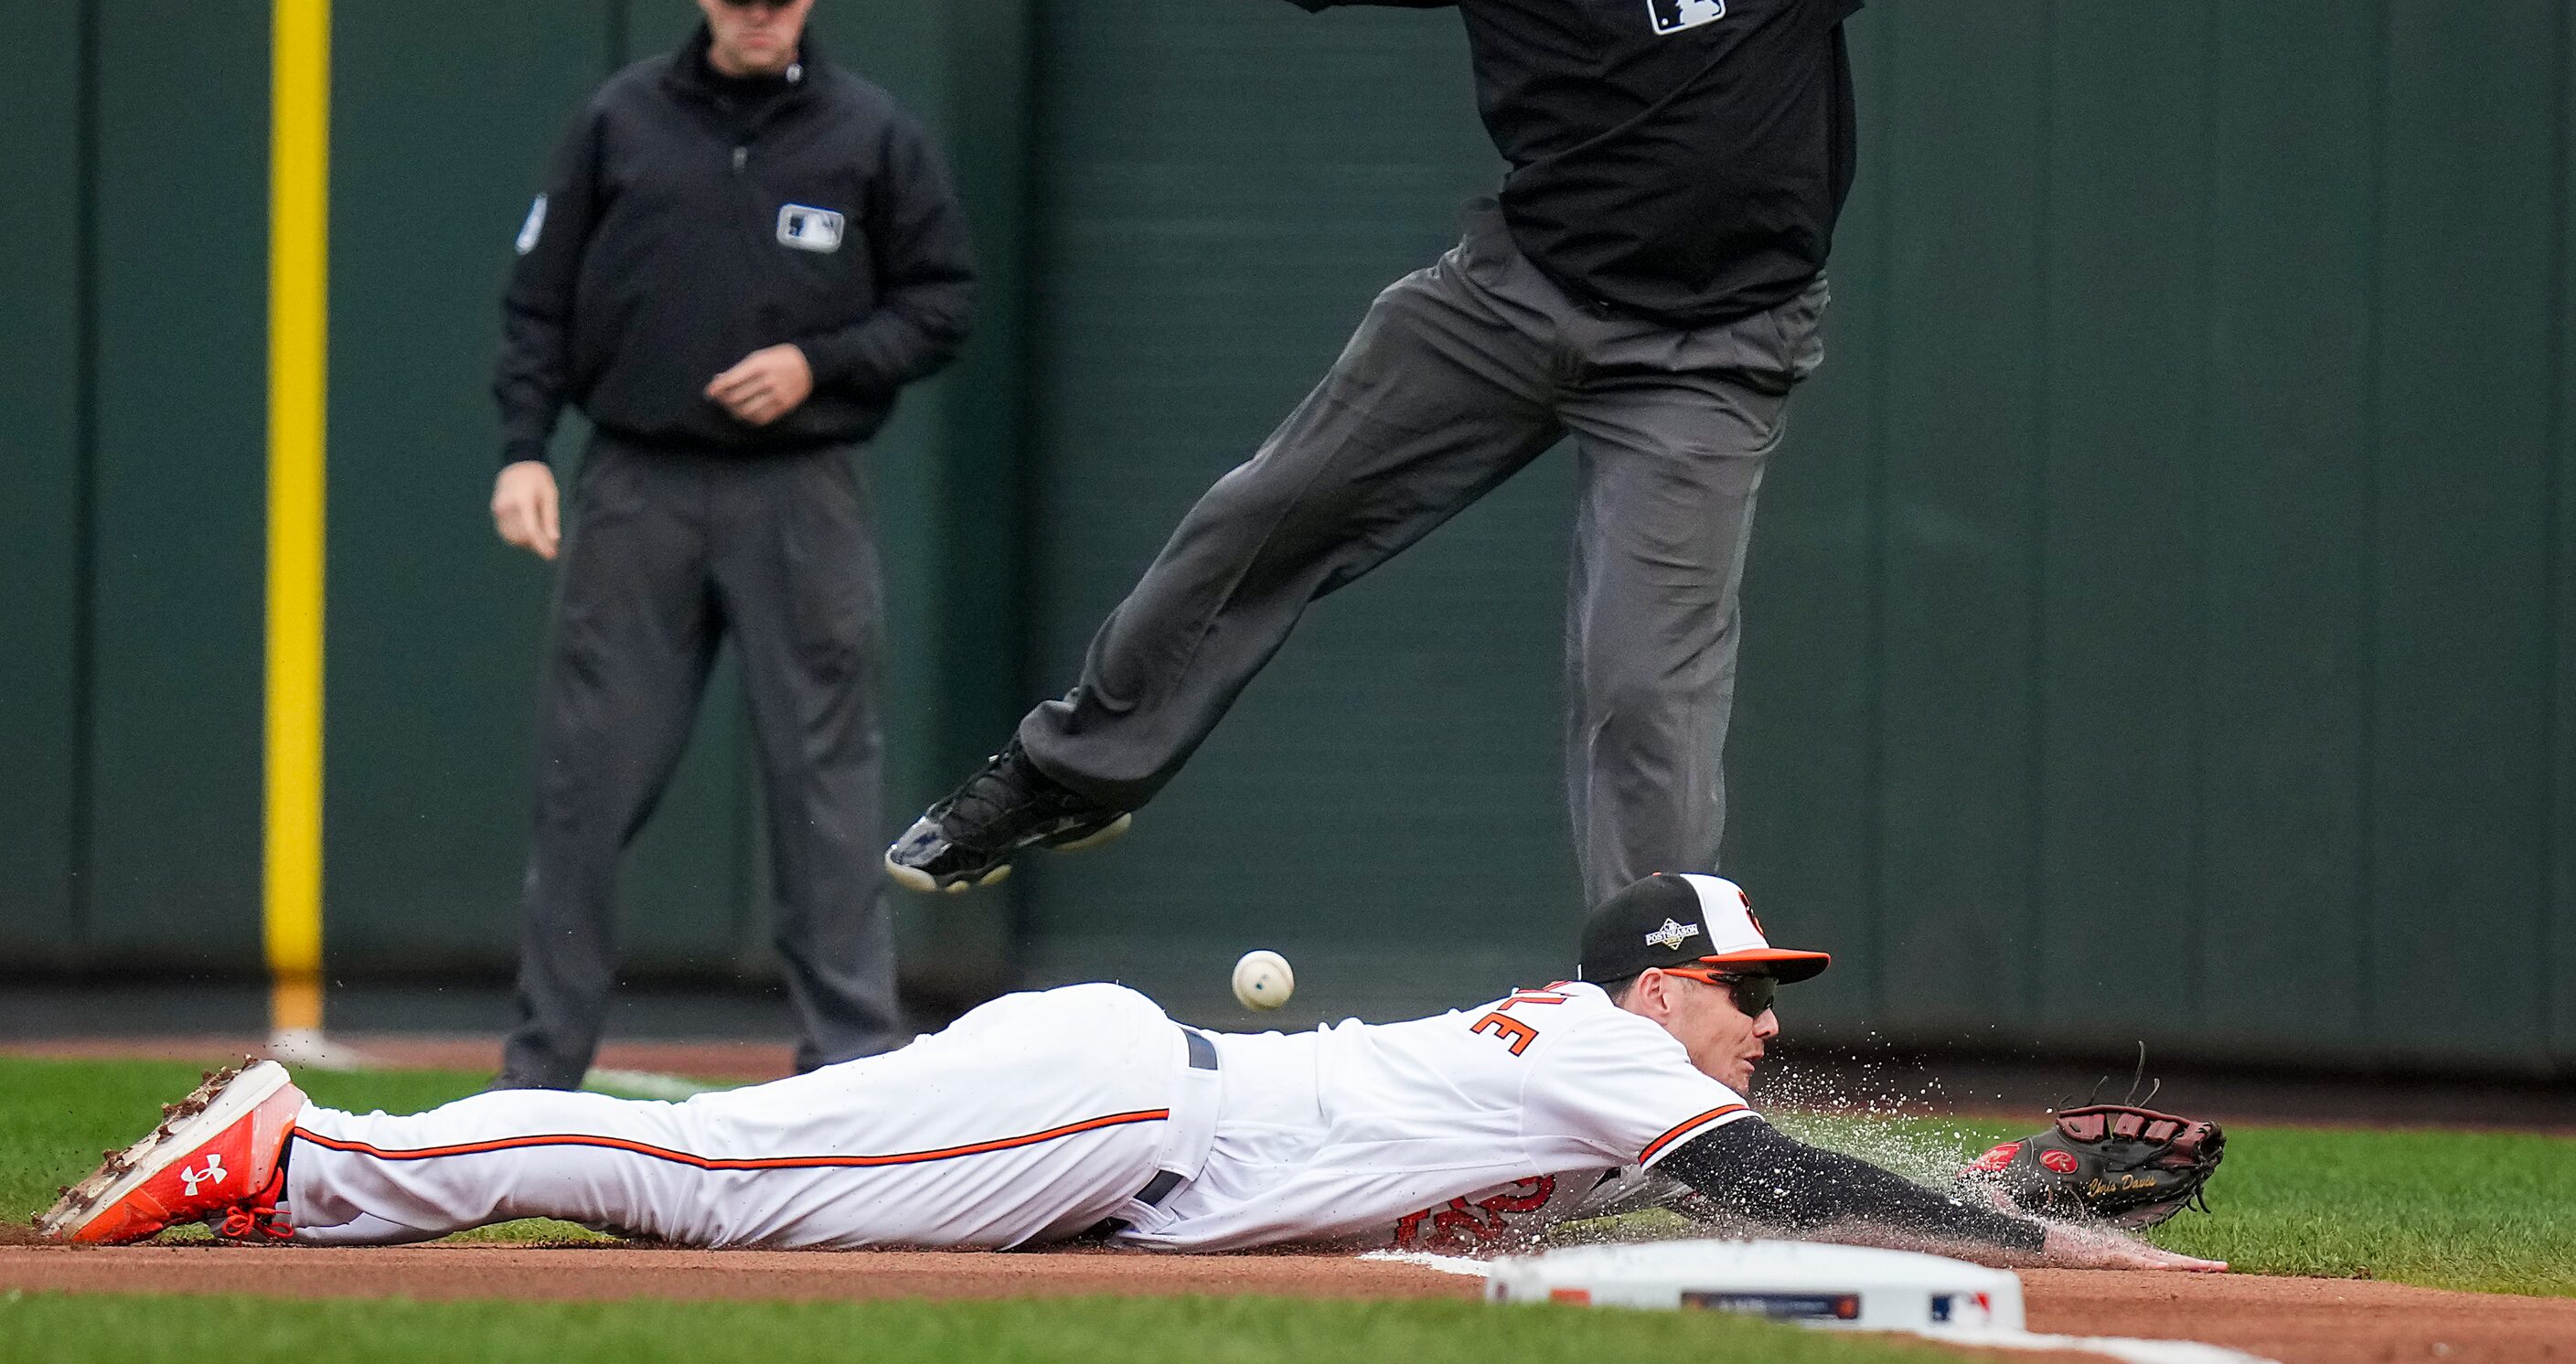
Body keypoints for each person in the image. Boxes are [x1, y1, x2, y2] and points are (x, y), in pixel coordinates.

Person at [859, 0, 2268, 903]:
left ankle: (1651, 1021)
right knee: (1261, 510)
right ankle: (1066, 774)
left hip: (1708, 354)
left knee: (1637, 687)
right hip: (1508, 301)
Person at [39, 874, 2220, 1271]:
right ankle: (311, 1137)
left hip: (1113, 1128)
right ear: (1654, 990)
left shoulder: (1588, 1096)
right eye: (1743, 984)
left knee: (700, 1180)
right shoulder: (1589, 1048)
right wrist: (2032, 1239)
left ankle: (307, 1171)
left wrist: (2016, 1177)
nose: (1769, 1015)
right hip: (1119, 1111)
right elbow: (1759, 1182)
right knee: (695, 1177)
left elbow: (1724, 1181)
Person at [485, 0, 976, 1088]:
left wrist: (822, 359)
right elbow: (537, 300)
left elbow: (940, 301)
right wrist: (519, 448)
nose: (760, 16)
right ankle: (537, 1078)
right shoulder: (621, 121)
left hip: (800, 491)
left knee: (825, 789)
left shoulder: (868, 133)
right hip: (637, 485)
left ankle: (853, 1070)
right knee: (586, 786)